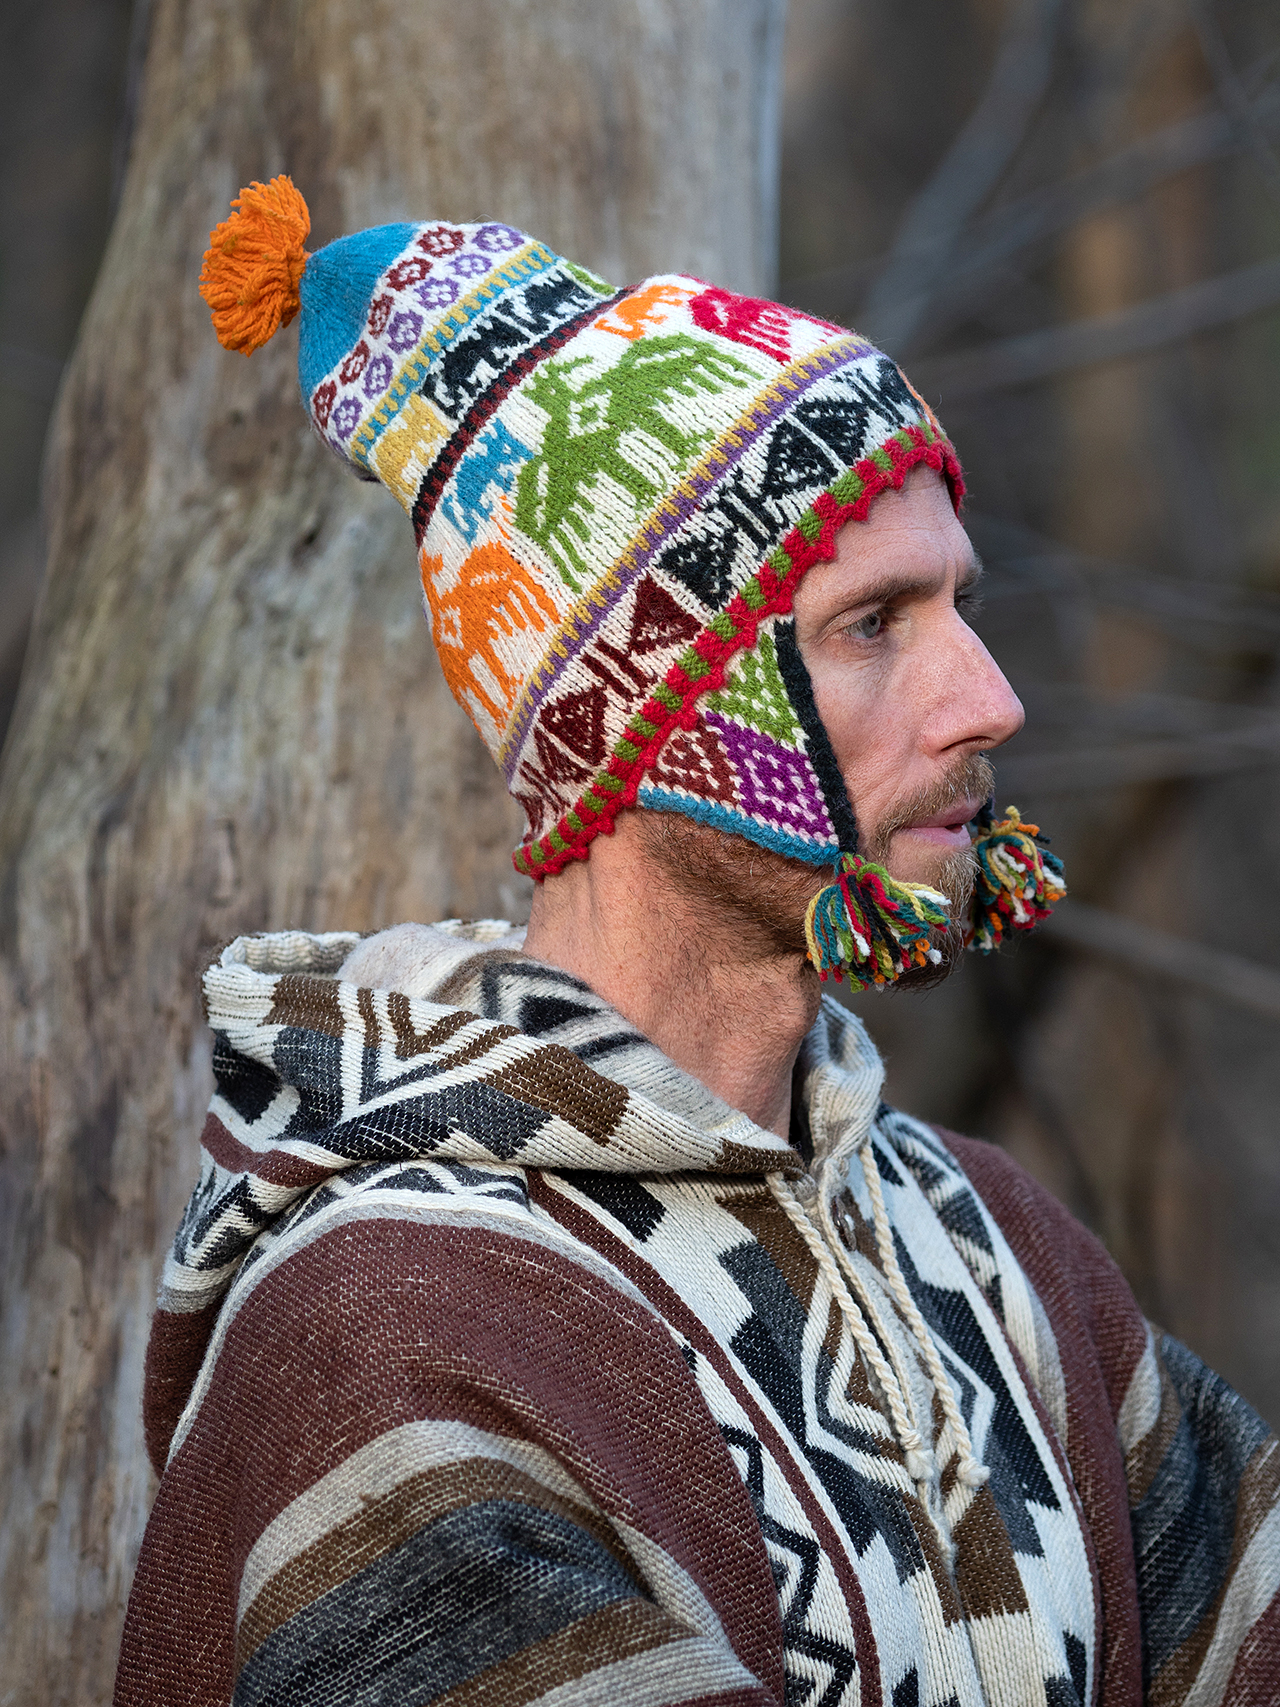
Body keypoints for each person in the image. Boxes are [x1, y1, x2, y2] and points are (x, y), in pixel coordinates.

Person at [115, 178, 1279, 1707]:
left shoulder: (990, 1250)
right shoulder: (394, 1333)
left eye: (962, 604)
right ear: (653, 726)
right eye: (875, 623)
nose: (990, 699)